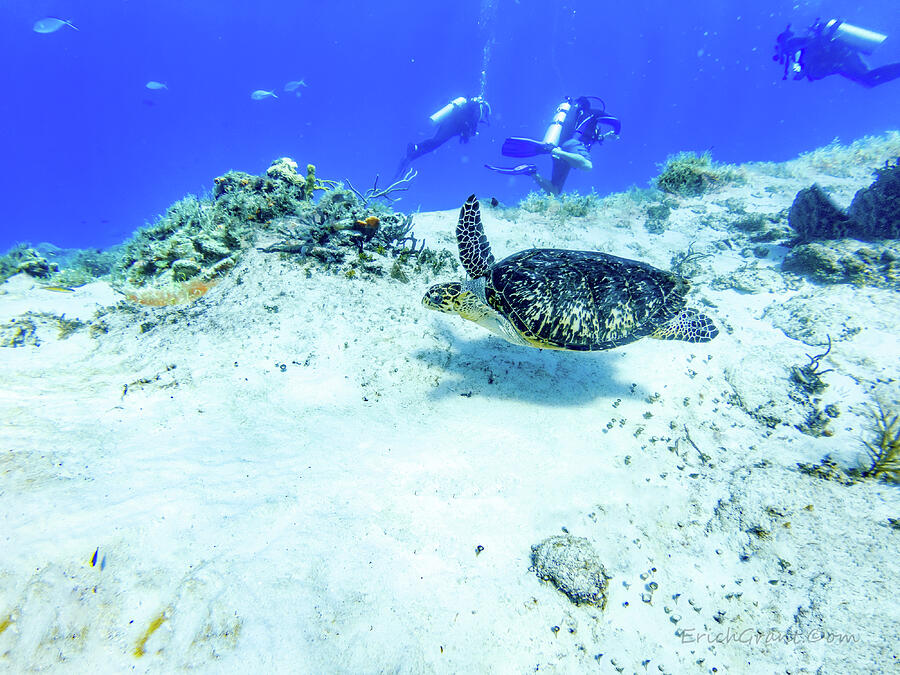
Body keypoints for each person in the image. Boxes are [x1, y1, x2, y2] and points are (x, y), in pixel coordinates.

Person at [485, 96, 620, 195]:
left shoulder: (570, 117)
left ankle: (532, 172)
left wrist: (604, 137)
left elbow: (592, 137)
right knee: (587, 166)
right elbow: (615, 122)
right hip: (570, 145)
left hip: (561, 147)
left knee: (554, 191)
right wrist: (615, 132)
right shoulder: (592, 113)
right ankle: (556, 151)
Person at [774, 18, 900, 88]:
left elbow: (816, 70)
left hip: (841, 58)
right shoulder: (802, 45)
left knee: (869, 80)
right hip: (843, 55)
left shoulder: (798, 47)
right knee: (869, 79)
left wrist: (804, 71)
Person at [396, 95, 491, 177]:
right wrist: (468, 134)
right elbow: (470, 126)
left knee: (435, 143)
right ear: (485, 109)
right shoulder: (478, 110)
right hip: (451, 125)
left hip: (449, 124)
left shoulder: (472, 107)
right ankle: (413, 148)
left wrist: (465, 134)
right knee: (435, 142)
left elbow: (465, 123)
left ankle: (412, 155)